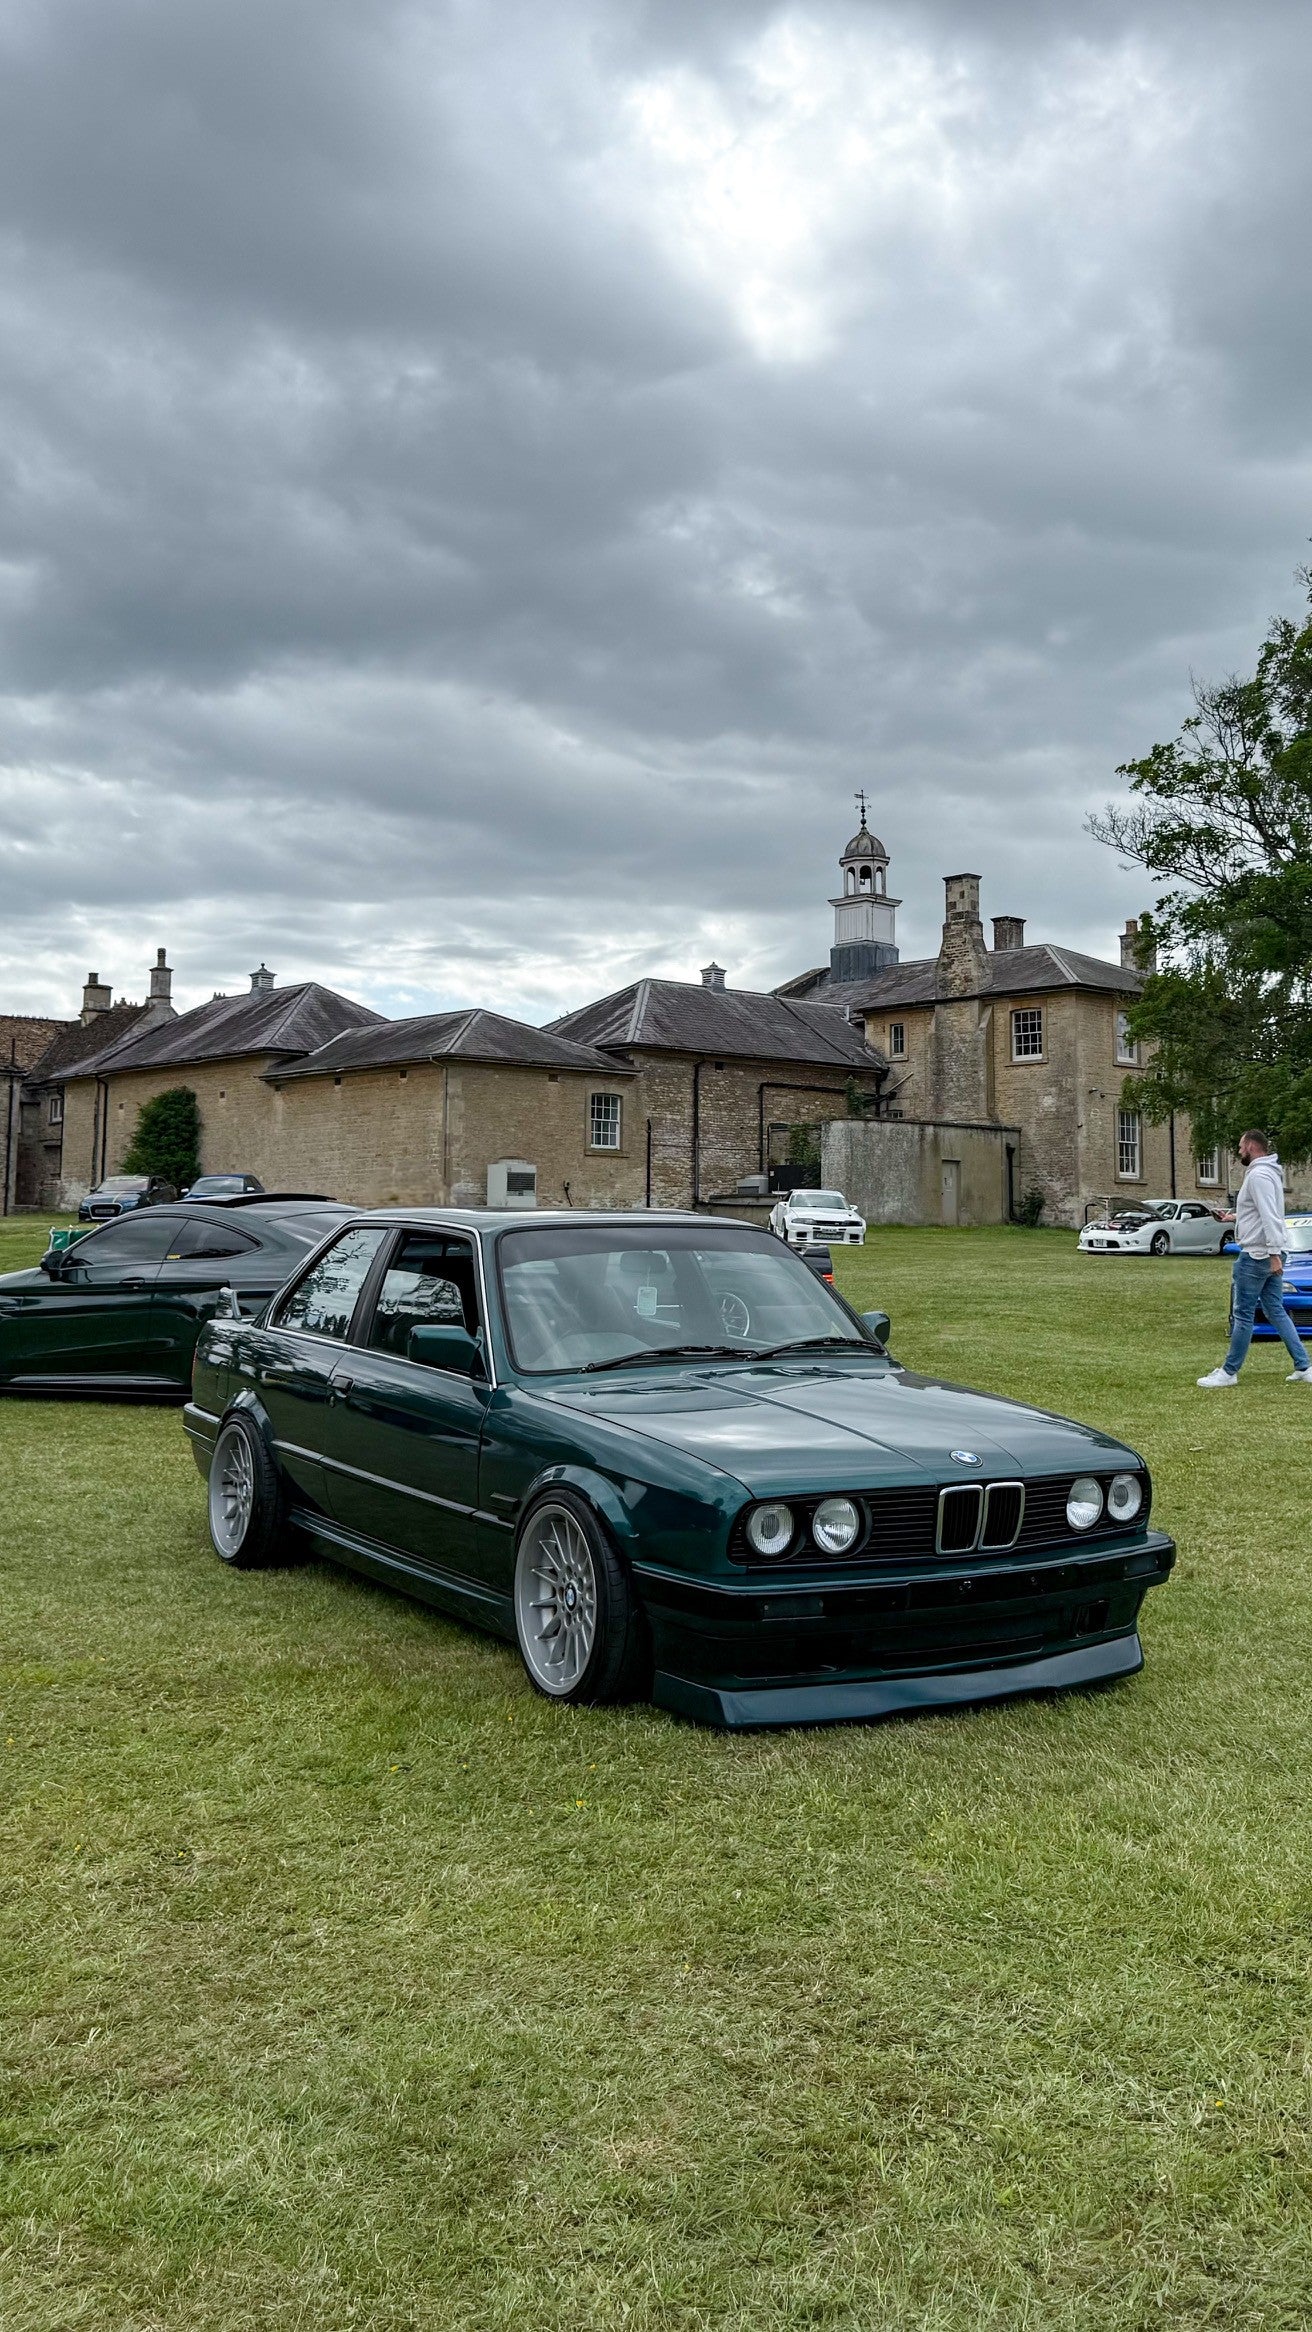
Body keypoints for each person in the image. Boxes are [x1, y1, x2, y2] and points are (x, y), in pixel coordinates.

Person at [1198, 1131, 1312, 1387]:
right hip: (1268, 1252)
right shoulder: (1268, 1173)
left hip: (1257, 1255)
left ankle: (1228, 1372)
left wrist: (1273, 1255)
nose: (1239, 1152)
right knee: (1275, 1310)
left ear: (1251, 1146)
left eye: (1240, 1147)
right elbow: (1259, 1213)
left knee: (1243, 1314)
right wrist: (1232, 1217)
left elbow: (1270, 1217)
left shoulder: (1259, 1175)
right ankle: (1304, 1366)